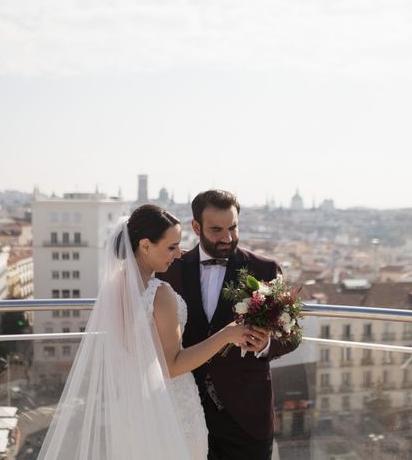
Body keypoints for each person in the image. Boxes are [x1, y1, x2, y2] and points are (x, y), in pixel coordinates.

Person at [37, 204, 257, 460]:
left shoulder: (114, 286)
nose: (177, 255)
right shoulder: (159, 294)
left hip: (131, 408)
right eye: (171, 247)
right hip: (171, 406)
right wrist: (227, 334)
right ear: (145, 246)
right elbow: (172, 365)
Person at [160, 189, 299, 460]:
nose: (227, 237)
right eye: (216, 230)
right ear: (196, 227)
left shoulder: (265, 270)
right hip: (188, 411)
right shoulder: (171, 269)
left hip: (247, 417)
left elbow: (292, 336)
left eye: (233, 228)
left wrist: (266, 344)